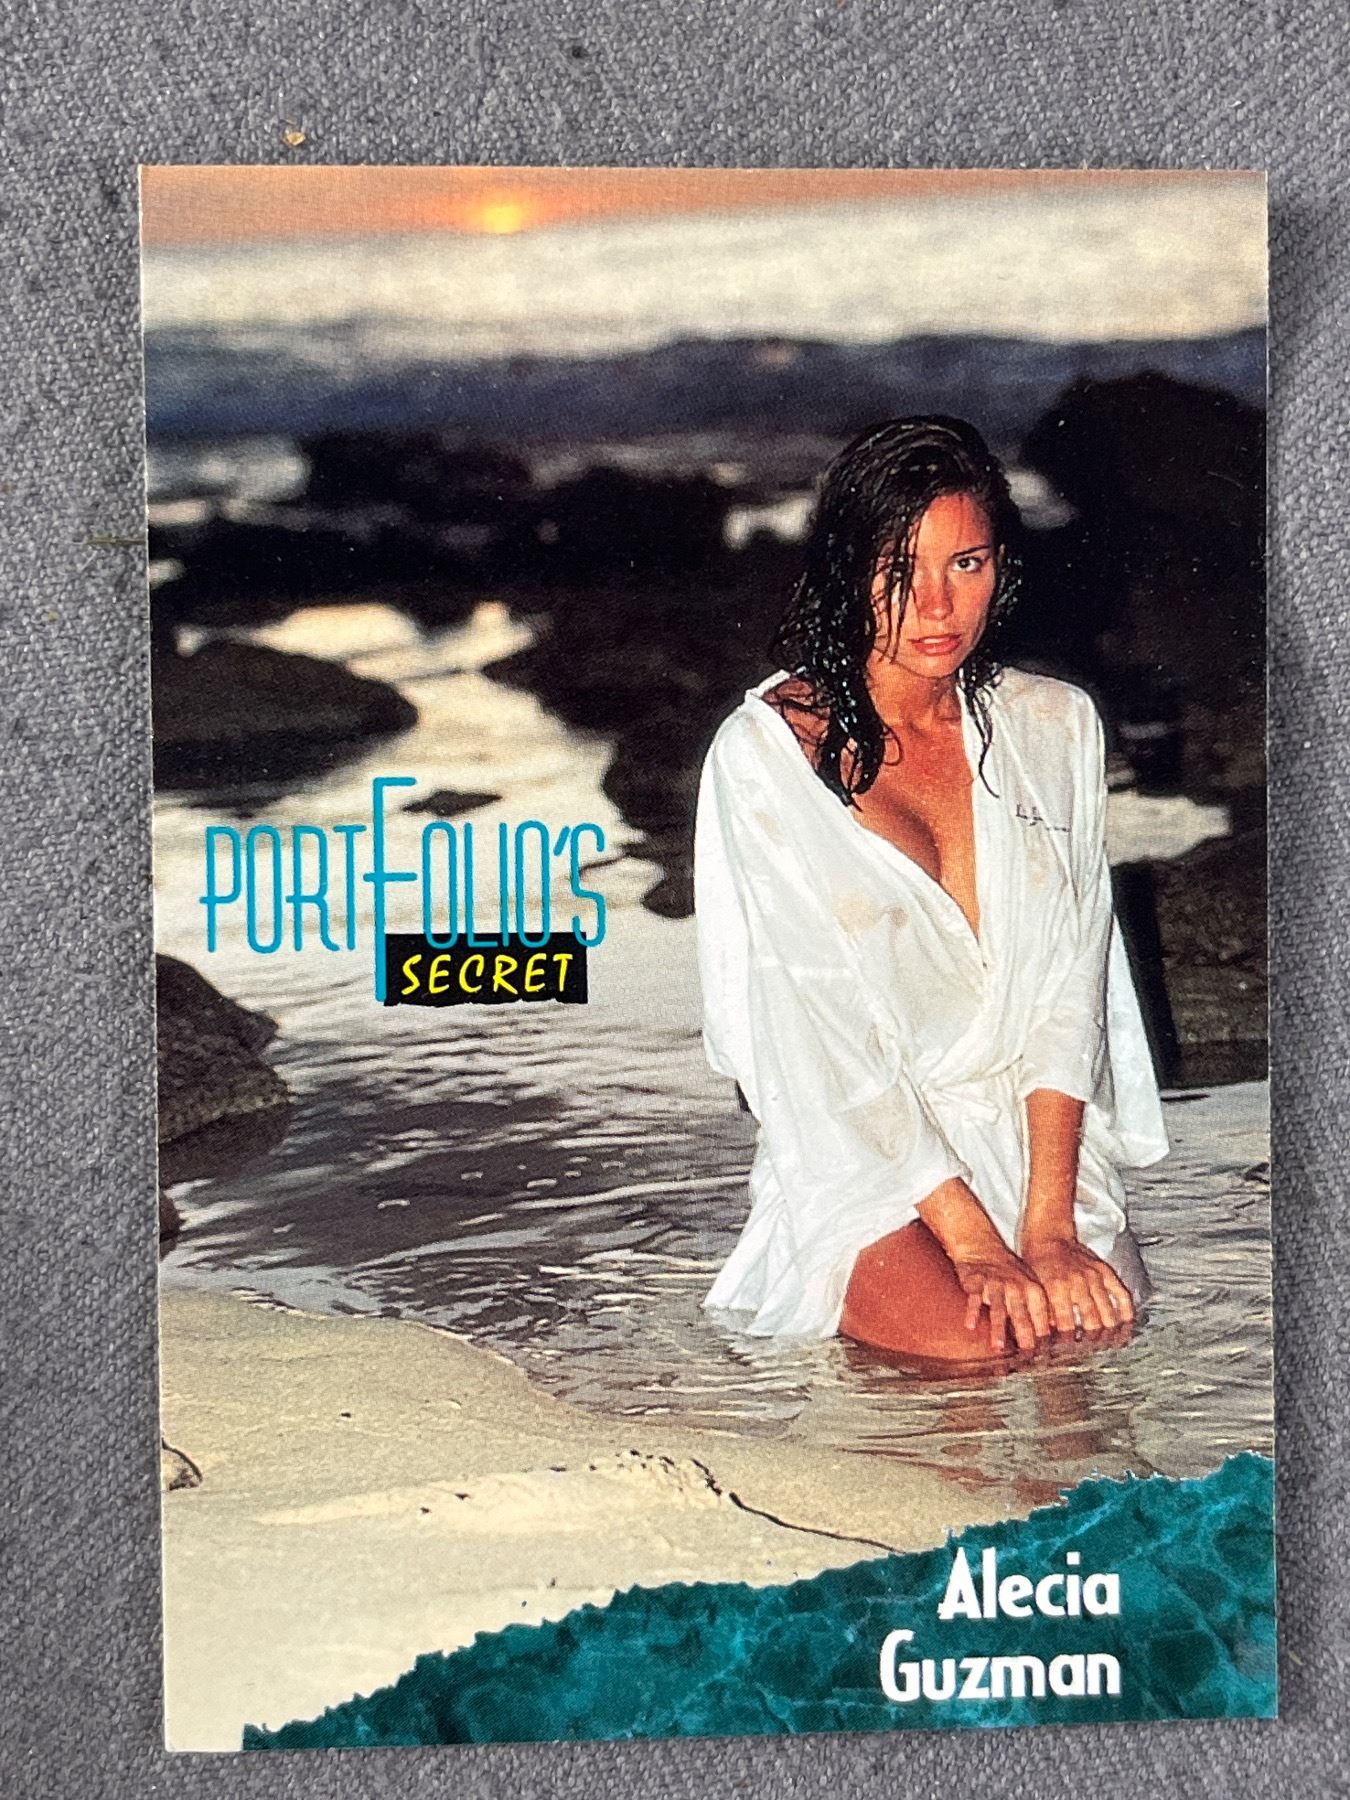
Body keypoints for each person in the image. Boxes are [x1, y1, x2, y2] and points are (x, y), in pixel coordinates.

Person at [693, 416, 1169, 1365]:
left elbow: (1070, 992)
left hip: (1037, 1142)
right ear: (846, 571)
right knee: (977, 1352)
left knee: (1098, 1341)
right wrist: (974, 1245)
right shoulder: (766, 756)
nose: (938, 607)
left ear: (1002, 565)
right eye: (898, 570)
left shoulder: (1057, 726)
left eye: (968, 563)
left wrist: (1048, 1230)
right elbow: (818, 1032)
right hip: (865, 1145)